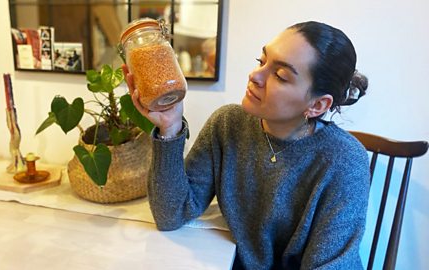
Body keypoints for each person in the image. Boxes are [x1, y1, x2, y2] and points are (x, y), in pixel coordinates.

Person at [123, 21, 370, 269]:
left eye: (280, 75)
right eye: (261, 61)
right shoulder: (228, 125)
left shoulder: (346, 161)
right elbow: (171, 214)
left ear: (317, 105)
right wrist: (170, 126)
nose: (255, 75)